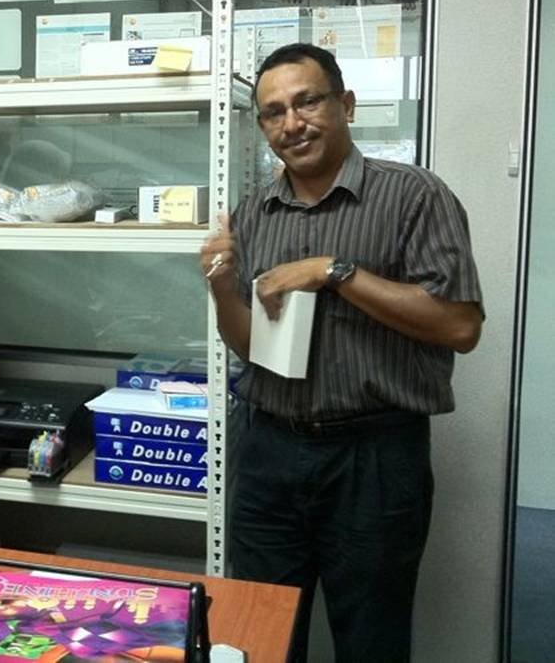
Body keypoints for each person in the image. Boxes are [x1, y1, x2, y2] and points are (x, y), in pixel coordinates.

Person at [200, 43, 483, 662]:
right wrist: (222, 287)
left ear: (346, 105)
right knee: (258, 638)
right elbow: (251, 347)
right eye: (273, 112)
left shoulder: (413, 196)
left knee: (371, 641)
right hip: (270, 451)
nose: (292, 123)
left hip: (374, 458)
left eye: (307, 102)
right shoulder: (255, 213)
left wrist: (334, 271)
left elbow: (461, 325)